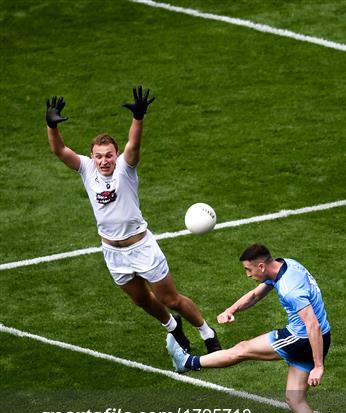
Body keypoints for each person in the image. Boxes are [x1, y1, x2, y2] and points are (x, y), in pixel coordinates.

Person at [46, 87, 221, 354]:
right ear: (91, 156)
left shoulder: (126, 168)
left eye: (108, 155)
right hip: (112, 252)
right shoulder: (86, 169)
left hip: (141, 247)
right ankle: (173, 327)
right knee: (142, 301)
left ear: (116, 155)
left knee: (170, 298)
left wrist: (138, 118)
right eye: (99, 156)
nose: (104, 161)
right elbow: (59, 151)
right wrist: (52, 126)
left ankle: (207, 333)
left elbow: (134, 145)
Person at [166, 243, 333, 413]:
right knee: (294, 398)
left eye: (249, 270)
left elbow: (311, 324)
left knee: (242, 349)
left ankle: (188, 362)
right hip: (319, 338)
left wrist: (318, 366)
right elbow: (256, 295)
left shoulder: (289, 288)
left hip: (303, 338)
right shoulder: (286, 265)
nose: (248, 275)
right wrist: (231, 309)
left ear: (261, 266)